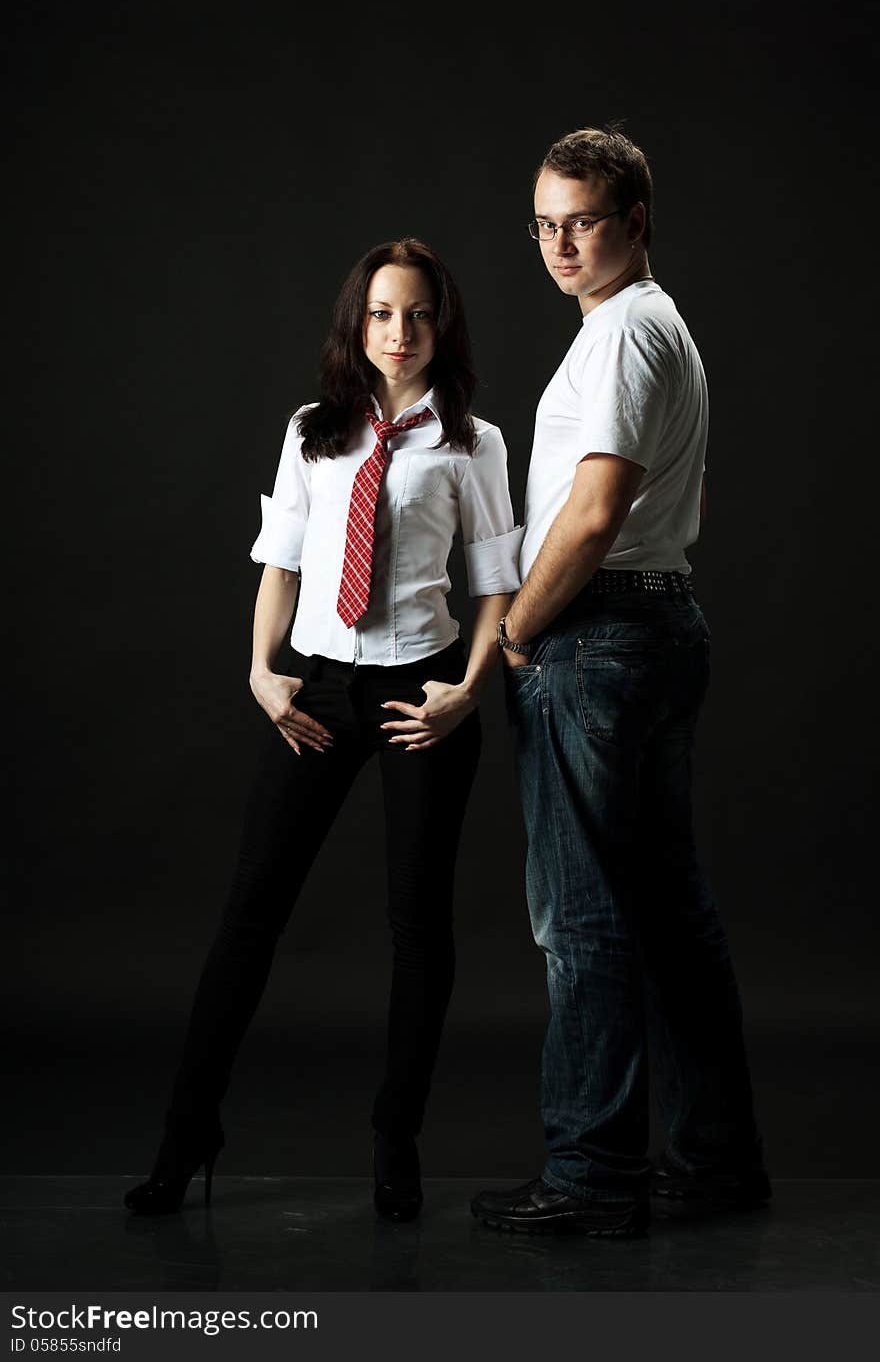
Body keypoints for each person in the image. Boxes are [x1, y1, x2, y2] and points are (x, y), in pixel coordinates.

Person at [124, 238, 522, 1222]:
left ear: (444, 324)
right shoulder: (313, 430)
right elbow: (283, 562)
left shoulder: (474, 442)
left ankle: (397, 1138)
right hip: (320, 692)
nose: (399, 333)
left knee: (417, 923)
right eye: (382, 314)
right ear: (358, 322)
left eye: (419, 314)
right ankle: (186, 1134)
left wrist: (469, 688)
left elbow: (494, 586)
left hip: (421, 693)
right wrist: (262, 671)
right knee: (249, 916)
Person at [470, 127, 770, 1237]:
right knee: (665, 910)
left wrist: (517, 634)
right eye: (543, 222)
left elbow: (594, 511)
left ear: (634, 220)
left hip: (599, 637)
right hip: (642, 633)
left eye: (580, 220)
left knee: (582, 916)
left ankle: (593, 1174)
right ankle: (712, 1161)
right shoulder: (630, 326)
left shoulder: (627, 334)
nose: (557, 242)